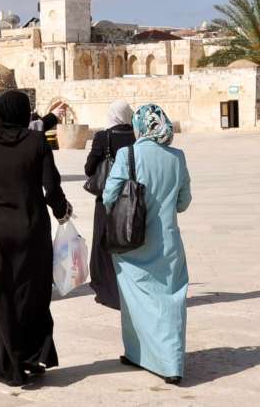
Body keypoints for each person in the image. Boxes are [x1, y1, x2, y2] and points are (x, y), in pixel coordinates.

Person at [0, 90, 72, 387]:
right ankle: (30, 355)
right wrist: (62, 211)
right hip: (29, 229)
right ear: (25, 113)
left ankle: (9, 365)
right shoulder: (37, 141)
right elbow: (51, 188)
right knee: (32, 294)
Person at [104, 103, 193, 385]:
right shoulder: (177, 156)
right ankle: (172, 362)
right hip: (167, 242)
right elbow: (183, 202)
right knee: (171, 299)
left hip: (134, 242)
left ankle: (138, 352)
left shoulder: (127, 154)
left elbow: (109, 195)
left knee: (135, 298)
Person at [83, 100, 137, 309]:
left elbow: (89, 168)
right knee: (130, 240)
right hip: (132, 196)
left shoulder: (103, 137)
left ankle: (106, 290)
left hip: (107, 198)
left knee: (103, 243)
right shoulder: (136, 135)